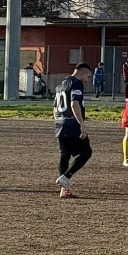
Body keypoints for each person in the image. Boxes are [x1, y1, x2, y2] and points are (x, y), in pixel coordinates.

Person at [54, 63, 94, 198]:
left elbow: (55, 106)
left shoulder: (60, 85)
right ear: (82, 73)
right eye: (88, 76)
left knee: (64, 155)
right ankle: (66, 177)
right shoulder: (76, 83)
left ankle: (64, 190)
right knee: (86, 152)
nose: (87, 80)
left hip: (60, 123)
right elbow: (74, 103)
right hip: (72, 124)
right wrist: (81, 124)